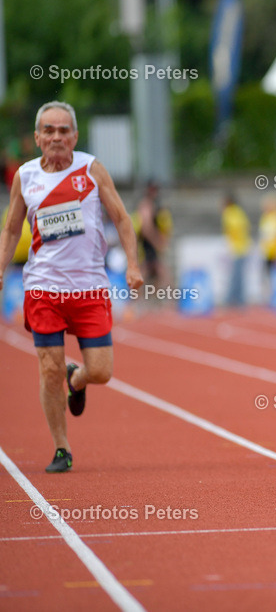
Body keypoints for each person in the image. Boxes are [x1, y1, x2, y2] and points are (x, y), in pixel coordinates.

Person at [0, 101, 143, 473]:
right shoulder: (26, 177)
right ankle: (62, 448)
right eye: (49, 130)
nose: (57, 137)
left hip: (89, 288)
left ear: (75, 136)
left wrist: (133, 265)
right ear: (37, 137)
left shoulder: (91, 169)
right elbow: (12, 228)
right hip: (43, 289)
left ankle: (76, 380)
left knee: (101, 371)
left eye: (64, 130)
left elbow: (123, 219)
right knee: (47, 368)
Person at [134, 180, 173, 288]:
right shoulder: (146, 205)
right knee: (152, 270)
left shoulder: (153, 205)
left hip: (149, 243)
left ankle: (159, 299)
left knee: (155, 271)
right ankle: (136, 299)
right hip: (146, 243)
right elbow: (146, 229)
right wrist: (158, 242)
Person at [221, 192, 251, 307]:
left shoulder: (229, 213)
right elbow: (246, 227)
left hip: (238, 248)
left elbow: (231, 229)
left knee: (235, 276)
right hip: (243, 246)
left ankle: (231, 300)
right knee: (238, 276)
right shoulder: (239, 212)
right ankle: (239, 300)